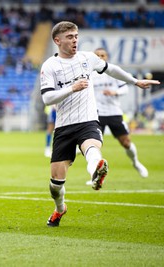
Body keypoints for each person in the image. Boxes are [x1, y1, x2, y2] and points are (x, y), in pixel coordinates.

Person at [40, 21, 159, 227]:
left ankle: (97, 171)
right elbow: (47, 98)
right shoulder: (50, 66)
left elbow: (111, 69)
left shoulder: (88, 58)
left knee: (92, 148)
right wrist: (72, 88)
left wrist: (134, 81)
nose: (75, 40)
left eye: (76, 36)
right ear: (57, 41)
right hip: (64, 126)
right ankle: (60, 209)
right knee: (55, 185)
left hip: (88, 119)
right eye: (70, 37)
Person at [91, 47, 148, 179]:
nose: (100, 58)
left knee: (126, 142)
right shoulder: (90, 75)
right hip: (97, 113)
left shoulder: (113, 72)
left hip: (114, 112)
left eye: (102, 55)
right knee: (94, 145)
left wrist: (114, 92)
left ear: (107, 57)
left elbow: (125, 89)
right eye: (97, 55)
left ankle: (135, 162)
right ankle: (95, 175)